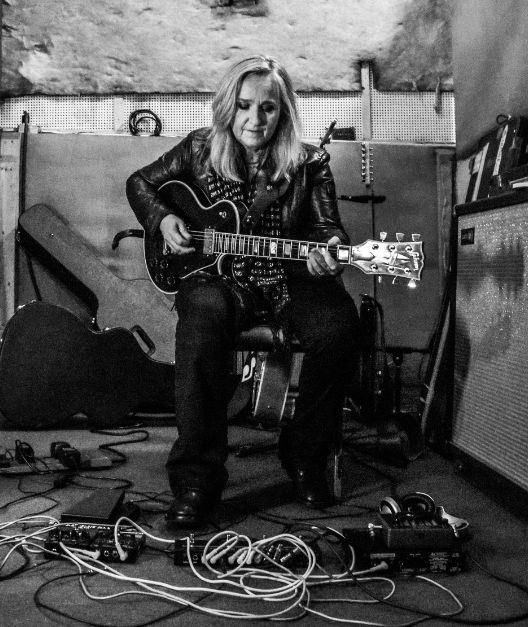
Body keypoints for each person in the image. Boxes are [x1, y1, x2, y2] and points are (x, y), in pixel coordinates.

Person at [126, 55, 359, 528]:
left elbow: (327, 228)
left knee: (339, 327)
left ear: (284, 112)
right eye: (245, 106)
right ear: (228, 106)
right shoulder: (198, 149)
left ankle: (305, 454)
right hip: (217, 278)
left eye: (268, 109)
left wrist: (328, 250)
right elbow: (141, 183)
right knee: (200, 326)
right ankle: (197, 478)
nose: (255, 120)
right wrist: (162, 218)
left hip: (288, 277)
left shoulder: (310, 162)